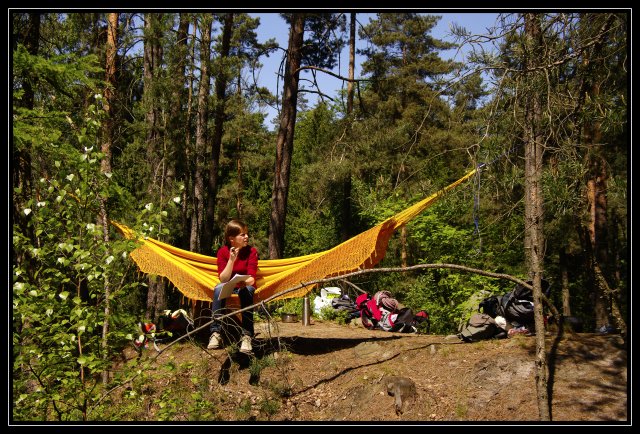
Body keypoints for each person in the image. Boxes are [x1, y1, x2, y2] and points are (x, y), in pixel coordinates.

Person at [207, 219, 258, 354]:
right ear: (232, 239)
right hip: (230, 285)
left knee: (246, 291)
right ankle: (215, 333)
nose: (246, 237)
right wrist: (231, 260)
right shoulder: (223, 252)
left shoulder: (251, 252)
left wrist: (243, 281)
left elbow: (252, 278)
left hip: (245, 286)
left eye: (246, 234)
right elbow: (223, 278)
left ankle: (247, 336)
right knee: (218, 288)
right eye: (242, 234)